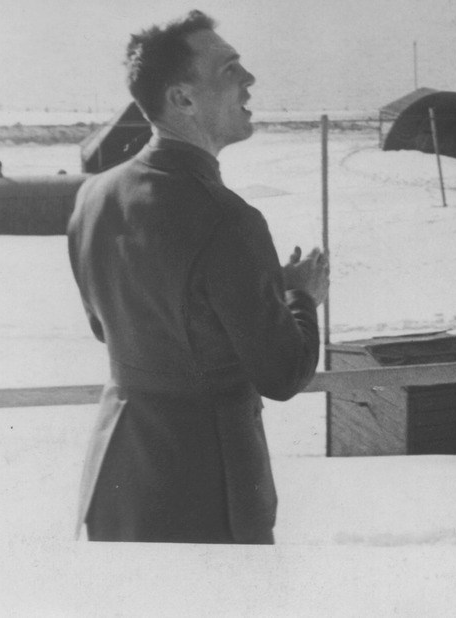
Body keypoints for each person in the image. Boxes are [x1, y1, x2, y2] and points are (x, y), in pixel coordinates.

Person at [67, 10, 329, 544]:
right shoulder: (229, 219)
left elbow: (110, 325)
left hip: (117, 478)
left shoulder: (94, 197)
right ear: (182, 99)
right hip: (209, 492)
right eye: (230, 69)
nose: (249, 80)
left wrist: (243, 293)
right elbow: (282, 375)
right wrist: (299, 296)